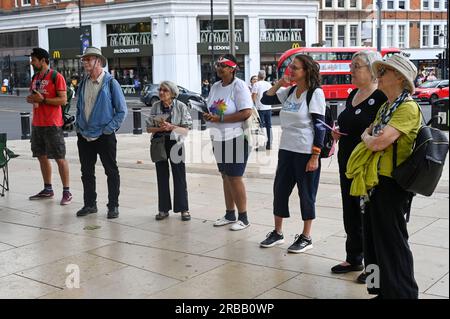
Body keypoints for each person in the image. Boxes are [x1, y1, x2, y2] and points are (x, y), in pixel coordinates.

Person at [346, 53, 421, 299]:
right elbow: (370, 134)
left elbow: (377, 141)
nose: (379, 75)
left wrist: (369, 138)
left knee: (392, 242)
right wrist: (370, 137)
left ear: (399, 77)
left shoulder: (407, 107)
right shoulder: (387, 107)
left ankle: (403, 293)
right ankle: (378, 289)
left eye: (384, 71)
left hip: (392, 183)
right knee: (373, 243)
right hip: (373, 182)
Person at [259, 54, 326, 253]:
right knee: (280, 190)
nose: (291, 70)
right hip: (286, 149)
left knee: (306, 194)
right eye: (290, 67)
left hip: (306, 151)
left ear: (306, 71)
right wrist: (280, 82)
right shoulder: (289, 91)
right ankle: (278, 232)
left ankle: (306, 236)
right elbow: (265, 98)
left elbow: (320, 127)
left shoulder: (315, 94)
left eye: (295, 68)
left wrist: (315, 155)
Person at [330, 50, 387, 284]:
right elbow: (348, 124)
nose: (351, 70)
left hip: (367, 167)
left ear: (372, 70)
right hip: (348, 163)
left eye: (357, 66)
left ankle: (374, 271)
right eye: (351, 66)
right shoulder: (353, 94)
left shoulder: (382, 97)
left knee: (369, 217)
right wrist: (336, 133)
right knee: (350, 211)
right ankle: (354, 256)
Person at [74, 47, 128, 219]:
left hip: (104, 136)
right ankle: (90, 204)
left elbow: (122, 111)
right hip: (84, 135)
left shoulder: (111, 83)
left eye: (88, 59)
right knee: (86, 172)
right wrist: (79, 125)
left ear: (98, 61)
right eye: (84, 60)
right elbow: (79, 107)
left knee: (111, 171)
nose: (84, 62)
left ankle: (113, 206)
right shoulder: (83, 83)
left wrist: (108, 129)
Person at [203, 54, 253, 231]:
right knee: (225, 175)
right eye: (218, 65)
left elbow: (246, 112)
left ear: (232, 68)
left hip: (236, 137)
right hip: (218, 137)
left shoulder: (239, 86)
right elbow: (212, 108)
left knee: (235, 176)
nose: (219, 68)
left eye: (223, 65)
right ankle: (230, 213)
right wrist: (208, 114)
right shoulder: (216, 86)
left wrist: (220, 118)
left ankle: (244, 217)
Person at [26, 48, 72, 205]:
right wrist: (32, 99)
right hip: (37, 123)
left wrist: (43, 99)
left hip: (53, 124)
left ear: (43, 60)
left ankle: (67, 192)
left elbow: (63, 100)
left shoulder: (56, 76)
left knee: (59, 158)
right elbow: (35, 96)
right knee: (41, 156)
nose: (31, 63)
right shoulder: (35, 77)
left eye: (33, 60)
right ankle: (48, 189)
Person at [146, 81, 193, 221]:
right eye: (160, 90)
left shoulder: (181, 106)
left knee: (179, 176)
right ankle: (163, 209)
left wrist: (171, 127)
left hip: (176, 143)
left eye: (165, 90)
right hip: (159, 143)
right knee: (161, 176)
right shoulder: (155, 106)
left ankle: (184, 209)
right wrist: (160, 128)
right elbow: (148, 128)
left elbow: (186, 129)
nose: (161, 92)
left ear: (172, 93)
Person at [251, 70, 273, 150]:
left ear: (258, 76)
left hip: (260, 108)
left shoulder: (256, 84)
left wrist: (252, 106)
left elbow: (253, 96)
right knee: (269, 126)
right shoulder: (269, 84)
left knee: (260, 126)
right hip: (268, 108)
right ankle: (269, 144)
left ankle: (261, 145)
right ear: (265, 76)